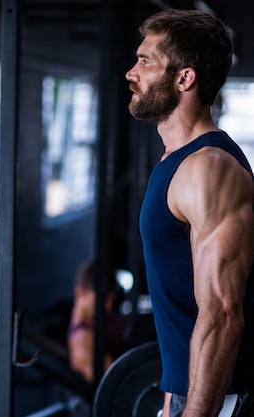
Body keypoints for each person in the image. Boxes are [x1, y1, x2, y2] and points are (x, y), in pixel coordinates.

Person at [126, 9, 254, 417]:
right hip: (188, 390)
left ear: (184, 78)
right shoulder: (177, 161)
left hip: (221, 397)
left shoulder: (208, 168)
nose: (132, 72)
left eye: (146, 61)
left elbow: (222, 313)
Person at [66, 259, 130, 383]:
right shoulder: (82, 339)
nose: (108, 307)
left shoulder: (99, 321)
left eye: (111, 301)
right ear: (80, 292)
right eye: (103, 300)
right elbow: (116, 385)